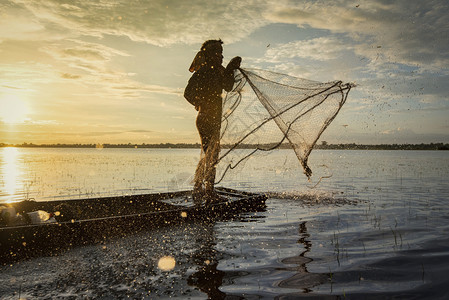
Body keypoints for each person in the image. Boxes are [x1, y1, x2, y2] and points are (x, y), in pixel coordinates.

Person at [184, 39, 241, 204]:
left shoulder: (216, 71)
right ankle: (208, 192)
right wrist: (199, 102)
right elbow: (188, 93)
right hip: (206, 118)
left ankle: (199, 188)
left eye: (222, 54)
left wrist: (231, 68)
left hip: (211, 118)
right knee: (211, 154)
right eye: (218, 54)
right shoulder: (205, 72)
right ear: (210, 55)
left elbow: (228, 86)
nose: (221, 57)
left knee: (209, 154)